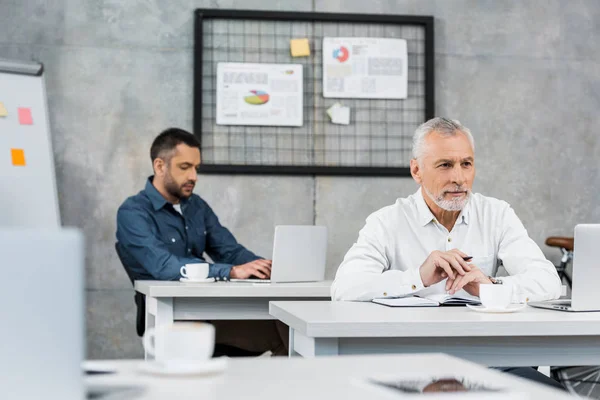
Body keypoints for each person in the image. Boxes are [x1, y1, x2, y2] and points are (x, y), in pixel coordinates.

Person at [331, 117, 563, 389]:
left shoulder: (497, 214)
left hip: (490, 361)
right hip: (408, 362)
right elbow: (345, 287)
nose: (459, 178)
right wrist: (418, 277)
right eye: (445, 165)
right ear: (416, 170)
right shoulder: (386, 221)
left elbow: (549, 282)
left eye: (466, 164)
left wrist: (489, 287)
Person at [116, 128, 287, 355]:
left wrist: (263, 267)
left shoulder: (196, 206)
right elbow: (163, 266)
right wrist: (232, 272)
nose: (194, 177)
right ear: (159, 166)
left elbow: (229, 251)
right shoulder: (133, 212)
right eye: (185, 167)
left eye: (196, 168)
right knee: (282, 331)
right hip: (172, 316)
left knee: (287, 328)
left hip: (211, 308)